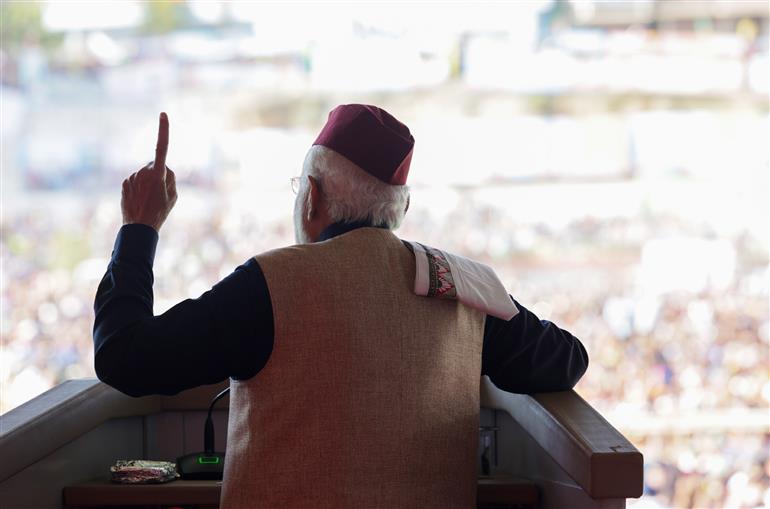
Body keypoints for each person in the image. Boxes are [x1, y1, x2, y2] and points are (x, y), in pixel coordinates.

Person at [93, 105, 588, 508]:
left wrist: (140, 227)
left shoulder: (270, 283)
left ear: (311, 197)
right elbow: (566, 359)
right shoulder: (460, 284)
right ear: (402, 209)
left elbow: (125, 356)